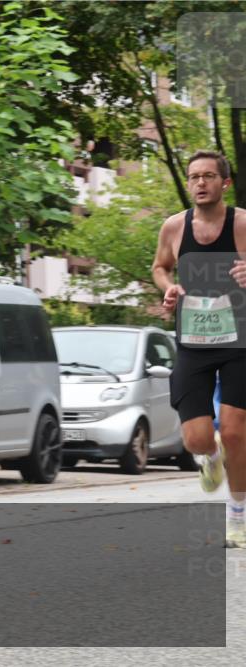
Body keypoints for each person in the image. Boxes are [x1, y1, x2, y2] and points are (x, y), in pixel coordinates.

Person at [151, 150, 246, 549]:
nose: (200, 183)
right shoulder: (174, 227)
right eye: (194, 177)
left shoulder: (242, 224)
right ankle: (209, 459)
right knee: (196, 438)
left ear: (225, 183)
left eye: (209, 176)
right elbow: (159, 267)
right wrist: (168, 288)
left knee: (237, 431)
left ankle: (238, 514)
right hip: (194, 340)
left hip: (241, 340)